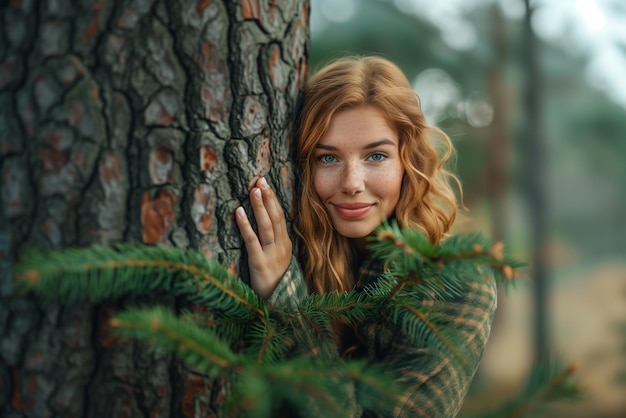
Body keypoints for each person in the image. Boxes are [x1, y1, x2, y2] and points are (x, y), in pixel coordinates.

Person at [235, 55, 497, 417]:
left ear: (410, 161)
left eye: (376, 156)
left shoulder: (455, 284)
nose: (352, 184)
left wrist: (286, 297)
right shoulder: (295, 245)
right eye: (328, 158)